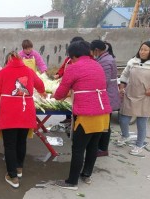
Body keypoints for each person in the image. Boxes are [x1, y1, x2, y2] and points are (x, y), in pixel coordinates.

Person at [53, 41, 112, 190]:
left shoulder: (74, 67)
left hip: (87, 114)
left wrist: (58, 94)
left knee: (78, 149)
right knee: (93, 146)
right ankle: (86, 175)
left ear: (73, 56)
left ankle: (72, 182)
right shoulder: (97, 65)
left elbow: (59, 94)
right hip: (103, 112)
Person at [0, 51, 47, 188]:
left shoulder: (3, 72)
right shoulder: (29, 71)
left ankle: (12, 176)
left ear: (8, 60)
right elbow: (40, 85)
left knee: (10, 145)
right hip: (26, 112)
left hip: (9, 113)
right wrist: (41, 92)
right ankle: (19, 168)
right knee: (21, 141)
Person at [117, 41, 150, 155]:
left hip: (146, 97)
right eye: (141, 49)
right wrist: (121, 88)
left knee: (141, 123)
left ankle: (139, 144)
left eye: (146, 49)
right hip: (130, 94)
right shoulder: (133, 61)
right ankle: (125, 136)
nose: (142, 51)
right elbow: (125, 75)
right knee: (123, 120)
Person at [90, 40, 121, 157]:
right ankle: (100, 146)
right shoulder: (104, 58)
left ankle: (103, 148)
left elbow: (104, 81)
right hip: (105, 94)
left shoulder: (106, 61)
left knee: (105, 125)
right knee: (104, 124)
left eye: (92, 52)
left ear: (97, 50)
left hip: (107, 95)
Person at [54, 36, 85, 124]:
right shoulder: (68, 59)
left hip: (75, 86)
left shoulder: (80, 62)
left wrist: (57, 95)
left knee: (73, 102)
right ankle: (68, 117)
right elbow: (63, 67)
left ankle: (74, 120)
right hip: (66, 83)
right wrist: (58, 74)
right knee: (67, 102)